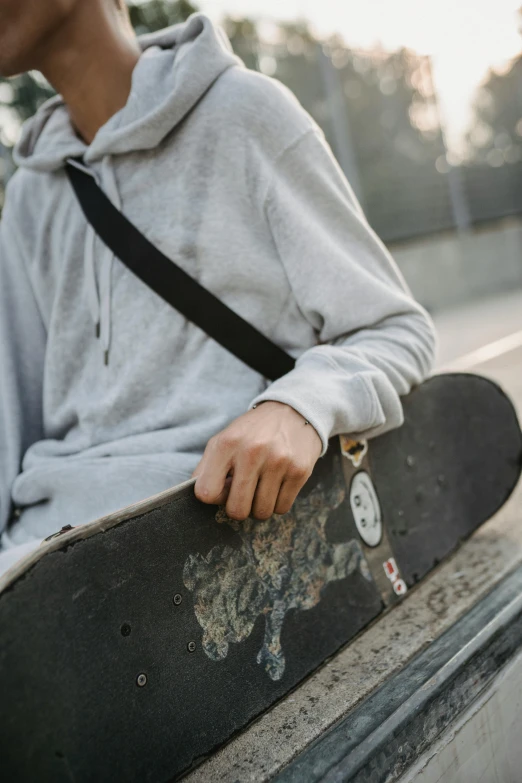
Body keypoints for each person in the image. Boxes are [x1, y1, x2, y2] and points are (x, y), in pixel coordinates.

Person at [0, 0, 436, 576]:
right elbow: (12, 421)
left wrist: (297, 407)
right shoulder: (32, 196)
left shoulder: (244, 115)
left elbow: (396, 330)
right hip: (39, 564)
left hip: (197, 547)